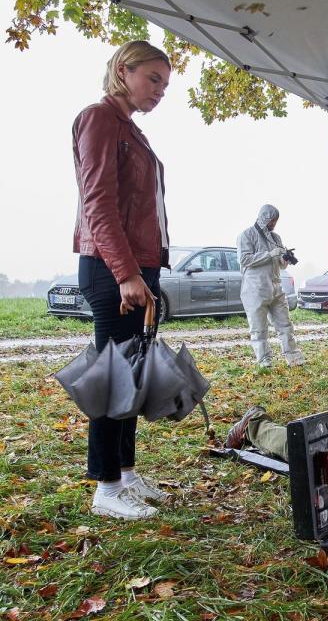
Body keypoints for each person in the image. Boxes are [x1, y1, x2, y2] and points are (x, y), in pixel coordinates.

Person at [73, 40, 174, 520]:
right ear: (122, 70)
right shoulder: (98, 119)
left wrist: (147, 271)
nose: (160, 92)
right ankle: (105, 487)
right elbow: (99, 205)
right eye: (152, 79)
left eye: (165, 84)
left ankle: (127, 473)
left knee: (132, 373)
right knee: (115, 375)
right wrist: (127, 273)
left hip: (139, 267)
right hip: (112, 269)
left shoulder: (132, 130)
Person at [237, 205, 305, 368]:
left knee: (285, 325)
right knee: (259, 329)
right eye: (272, 220)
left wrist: (284, 259)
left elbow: (281, 266)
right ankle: (264, 360)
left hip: (275, 287)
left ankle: (293, 357)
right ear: (263, 218)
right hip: (255, 290)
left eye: (276, 221)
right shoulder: (246, 235)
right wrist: (269, 254)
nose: (274, 223)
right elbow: (244, 260)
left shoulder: (276, 238)